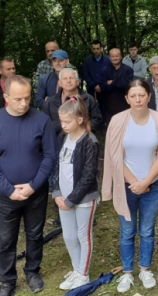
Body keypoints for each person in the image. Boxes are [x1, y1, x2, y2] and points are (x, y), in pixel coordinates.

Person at [0, 75, 56, 296]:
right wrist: (8, 189)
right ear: (5, 97)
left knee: (35, 235)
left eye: (27, 97)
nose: (24, 103)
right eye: (18, 99)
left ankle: (32, 271)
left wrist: (33, 186)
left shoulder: (41, 120)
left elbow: (50, 156)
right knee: (6, 240)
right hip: (6, 195)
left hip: (37, 192)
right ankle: (7, 281)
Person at [102, 79, 158, 291]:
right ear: (127, 98)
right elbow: (115, 156)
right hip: (127, 187)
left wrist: (147, 182)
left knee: (148, 230)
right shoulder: (117, 121)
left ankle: (144, 269)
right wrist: (135, 183)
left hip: (153, 185)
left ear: (149, 96)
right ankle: (126, 272)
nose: (138, 99)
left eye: (142, 95)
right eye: (133, 96)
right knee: (127, 231)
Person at [52, 96, 100, 291]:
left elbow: (88, 176)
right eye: (61, 121)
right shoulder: (64, 138)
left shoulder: (90, 141)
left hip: (83, 199)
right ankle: (76, 269)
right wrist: (56, 193)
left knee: (83, 236)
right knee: (69, 237)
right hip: (64, 198)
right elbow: (57, 167)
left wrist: (71, 200)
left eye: (67, 121)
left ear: (80, 120)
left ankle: (83, 274)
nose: (63, 125)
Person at [43, 68, 102, 135]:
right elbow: (45, 125)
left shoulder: (88, 99)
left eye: (71, 78)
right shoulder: (50, 102)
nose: (68, 81)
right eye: (65, 79)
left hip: (82, 140)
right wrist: (65, 124)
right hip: (58, 142)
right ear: (60, 83)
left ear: (77, 82)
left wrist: (79, 128)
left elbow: (97, 120)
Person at [99, 48, 134, 126]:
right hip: (108, 105)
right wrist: (119, 83)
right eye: (112, 56)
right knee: (110, 127)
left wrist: (112, 83)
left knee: (125, 126)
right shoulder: (104, 70)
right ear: (109, 57)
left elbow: (127, 85)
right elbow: (103, 87)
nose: (115, 58)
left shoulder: (128, 70)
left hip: (124, 104)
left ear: (121, 56)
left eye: (117, 56)